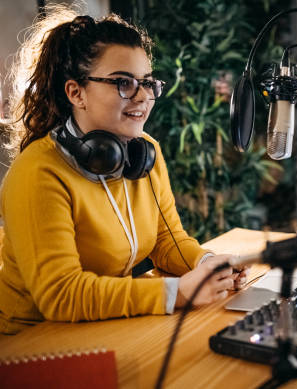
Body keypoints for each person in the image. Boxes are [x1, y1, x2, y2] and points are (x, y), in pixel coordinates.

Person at [0, 7, 247, 335]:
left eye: (147, 82)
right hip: (33, 342)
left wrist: (208, 265)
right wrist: (175, 293)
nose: (143, 96)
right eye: (123, 83)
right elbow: (60, 295)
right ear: (76, 92)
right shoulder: (39, 172)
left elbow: (165, 240)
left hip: (104, 326)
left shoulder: (145, 152)